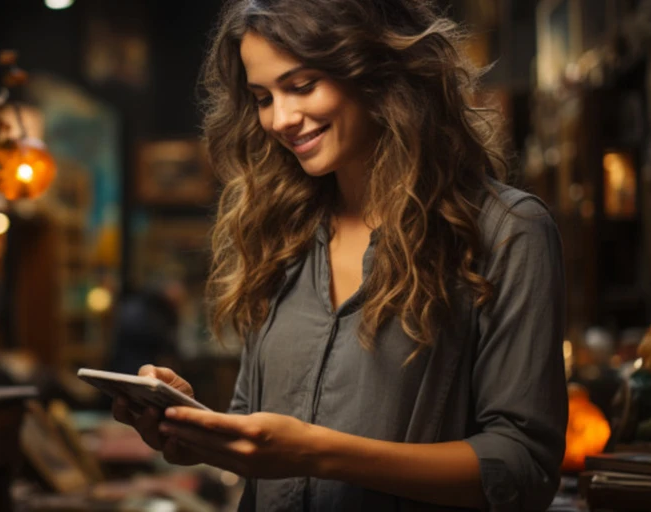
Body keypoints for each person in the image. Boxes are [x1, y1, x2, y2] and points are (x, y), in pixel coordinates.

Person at [112, 0, 568, 510]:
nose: (280, 119)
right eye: (262, 97)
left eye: (302, 86)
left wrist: (317, 454)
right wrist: (192, 424)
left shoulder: (506, 233)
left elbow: (523, 466)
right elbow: (259, 424)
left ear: (376, 70)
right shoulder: (279, 234)